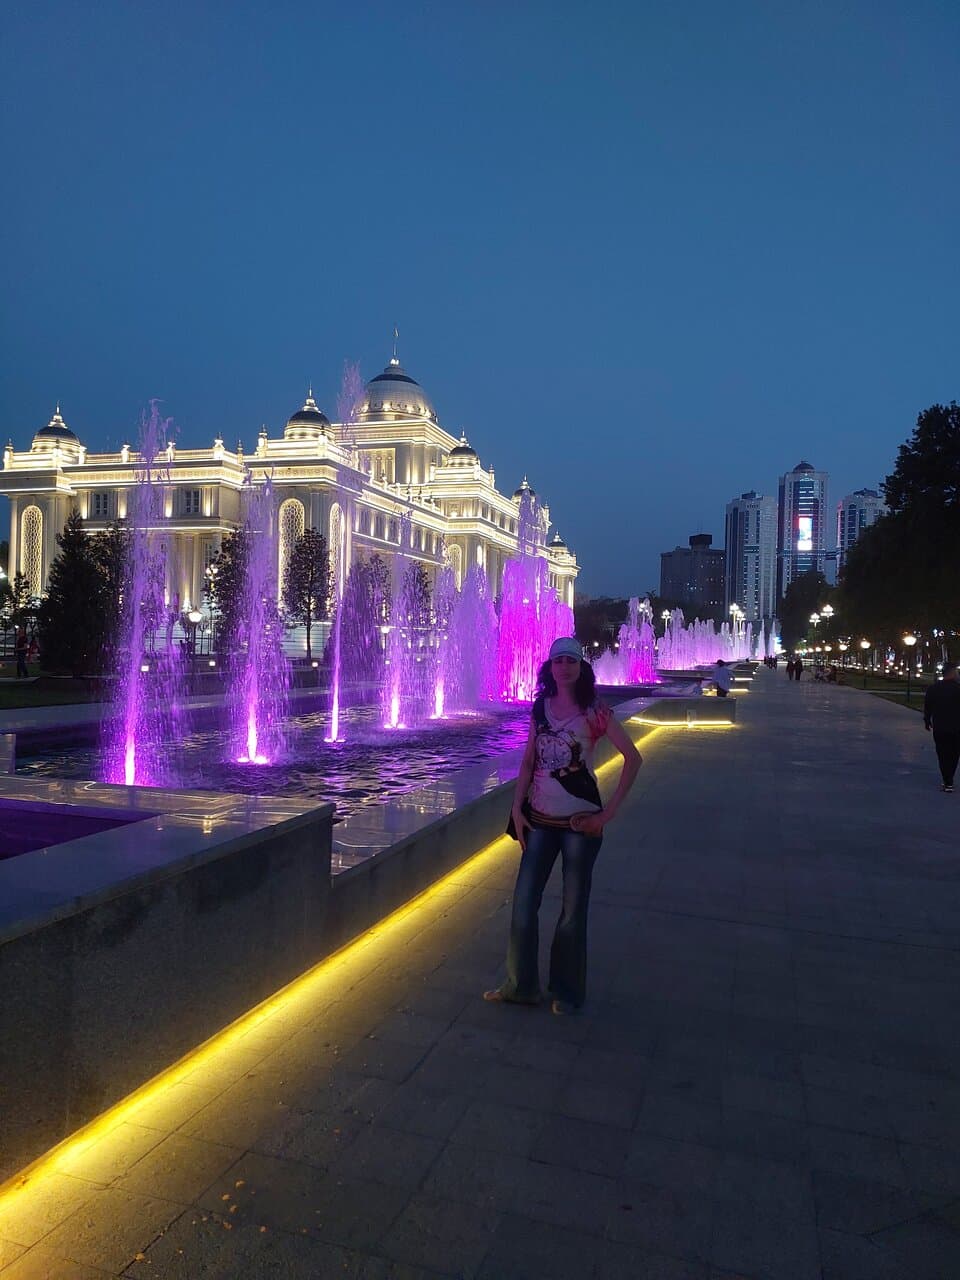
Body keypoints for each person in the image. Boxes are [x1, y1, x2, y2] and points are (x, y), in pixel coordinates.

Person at [484, 636, 642, 1014]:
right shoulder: (540, 709)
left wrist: (606, 815)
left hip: (579, 825)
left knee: (572, 912)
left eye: (572, 661)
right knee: (524, 905)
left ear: (581, 666)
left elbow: (632, 759)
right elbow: (527, 763)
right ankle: (521, 986)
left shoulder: (595, 711)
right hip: (538, 821)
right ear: (550, 668)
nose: (565, 667)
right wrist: (517, 809)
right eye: (559, 661)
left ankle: (567, 992)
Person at [923, 663, 960, 793]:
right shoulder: (958, 689)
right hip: (956, 728)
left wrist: (927, 721)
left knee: (942, 753)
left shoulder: (934, 688)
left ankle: (947, 780)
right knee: (954, 754)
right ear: (952, 673)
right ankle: (949, 779)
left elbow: (927, 706)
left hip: (940, 727)